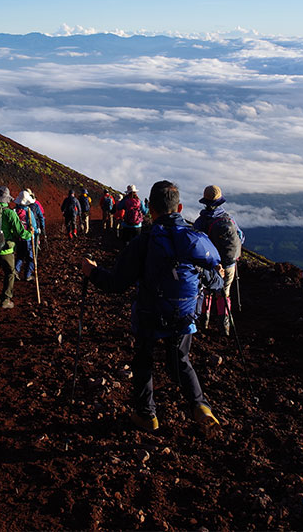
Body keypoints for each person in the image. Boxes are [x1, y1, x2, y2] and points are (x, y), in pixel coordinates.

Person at [82, 180, 223, 433]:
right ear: (179, 207)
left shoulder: (143, 244)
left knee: (143, 361)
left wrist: (92, 272)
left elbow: (115, 283)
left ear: (151, 209)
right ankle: (201, 406)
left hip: (150, 316)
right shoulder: (194, 241)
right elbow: (214, 281)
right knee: (180, 360)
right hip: (184, 316)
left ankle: (147, 415)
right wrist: (219, 276)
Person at [193, 185, 245, 335]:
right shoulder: (229, 219)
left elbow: (197, 242)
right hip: (230, 264)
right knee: (224, 293)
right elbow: (241, 237)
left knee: (207, 290)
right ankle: (225, 327)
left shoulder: (202, 221)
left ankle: (204, 321)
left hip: (211, 264)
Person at [14, 190, 38, 281]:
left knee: (20, 255)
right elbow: (33, 227)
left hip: (18, 238)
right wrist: (35, 232)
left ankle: (16, 271)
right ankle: (27, 275)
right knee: (30, 257)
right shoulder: (28, 212)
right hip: (28, 238)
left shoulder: (15, 211)